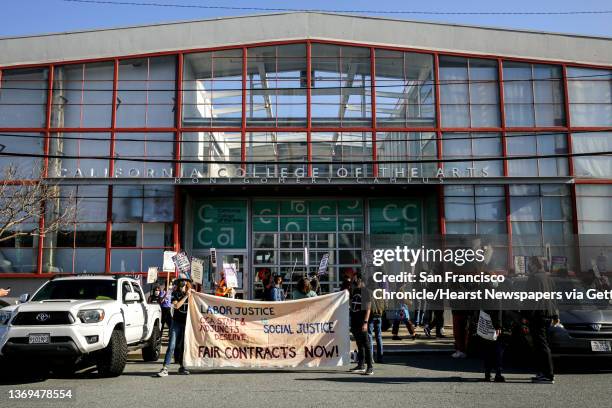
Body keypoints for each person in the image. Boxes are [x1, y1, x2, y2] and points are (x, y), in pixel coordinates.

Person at [525, 257, 558, 384]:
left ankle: (548, 374)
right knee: (543, 344)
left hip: (537, 315)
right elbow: (554, 298)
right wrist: (555, 315)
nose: (529, 266)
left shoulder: (534, 278)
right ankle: (543, 373)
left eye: (530, 263)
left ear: (534, 264)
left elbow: (530, 299)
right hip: (547, 314)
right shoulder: (548, 278)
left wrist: (526, 316)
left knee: (540, 345)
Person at [157, 280, 192, 377]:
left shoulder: (192, 295)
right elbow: (177, 306)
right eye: (181, 284)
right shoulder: (175, 293)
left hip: (186, 324)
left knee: (182, 347)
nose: (182, 285)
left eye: (184, 284)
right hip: (176, 323)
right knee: (172, 345)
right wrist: (186, 296)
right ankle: (165, 368)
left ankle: (182, 367)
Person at [349, 275, 374, 375]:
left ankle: (370, 367)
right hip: (355, 321)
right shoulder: (355, 291)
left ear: (360, 280)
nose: (354, 281)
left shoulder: (366, 292)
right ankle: (361, 364)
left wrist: (365, 322)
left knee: (366, 344)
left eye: (355, 279)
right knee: (359, 344)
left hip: (362, 321)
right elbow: (352, 304)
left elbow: (368, 308)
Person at [367, 276, 386, 363]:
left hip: (371, 316)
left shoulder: (368, 291)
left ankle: (371, 358)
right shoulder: (381, 291)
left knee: (370, 336)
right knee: (379, 337)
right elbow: (385, 304)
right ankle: (380, 357)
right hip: (379, 316)